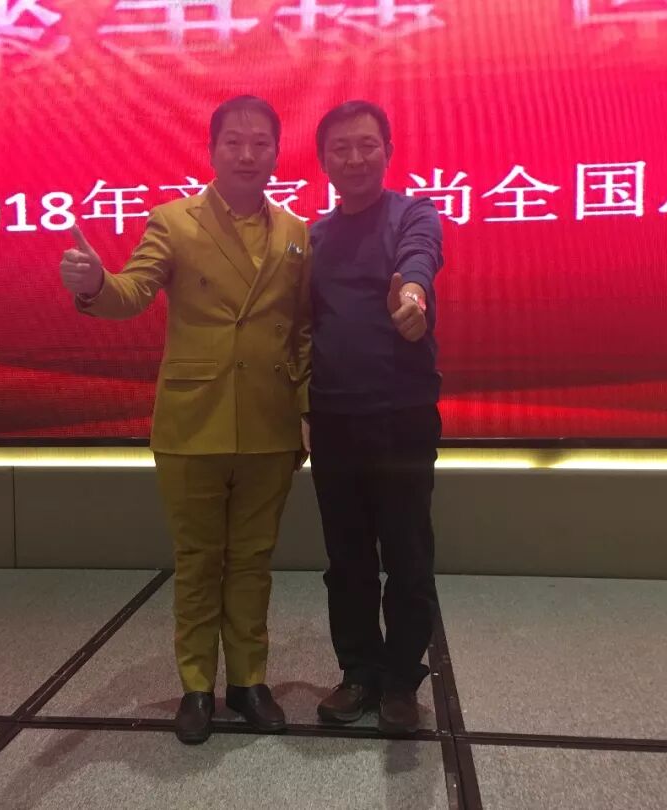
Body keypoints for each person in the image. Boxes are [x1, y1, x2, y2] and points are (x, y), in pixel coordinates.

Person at [58, 95, 311, 745]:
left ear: (277, 152)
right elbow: (132, 292)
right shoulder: (173, 221)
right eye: (234, 142)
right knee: (198, 561)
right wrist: (93, 284)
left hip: (269, 423)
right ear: (212, 149)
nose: (248, 154)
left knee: (252, 561)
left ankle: (249, 681)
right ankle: (196, 685)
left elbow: (304, 333)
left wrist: (307, 410)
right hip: (192, 421)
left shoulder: (296, 232)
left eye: (261, 142)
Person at [306, 100, 444, 735]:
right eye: (341, 148)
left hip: (401, 416)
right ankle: (358, 671)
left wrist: (412, 297)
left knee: (408, 556)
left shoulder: (413, 213)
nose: (355, 158)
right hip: (334, 418)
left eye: (367, 145)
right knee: (347, 559)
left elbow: (420, 259)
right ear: (323, 160)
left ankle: (400, 680)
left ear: (387, 150)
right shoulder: (313, 238)